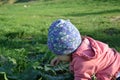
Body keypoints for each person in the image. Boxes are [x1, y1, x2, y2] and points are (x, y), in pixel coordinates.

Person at [47, 19, 120, 80]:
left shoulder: (82, 62)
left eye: (58, 54)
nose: (57, 56)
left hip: (115, 74)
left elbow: (81, 78)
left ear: (66, 52)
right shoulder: (85, 43)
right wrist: (59, 58)